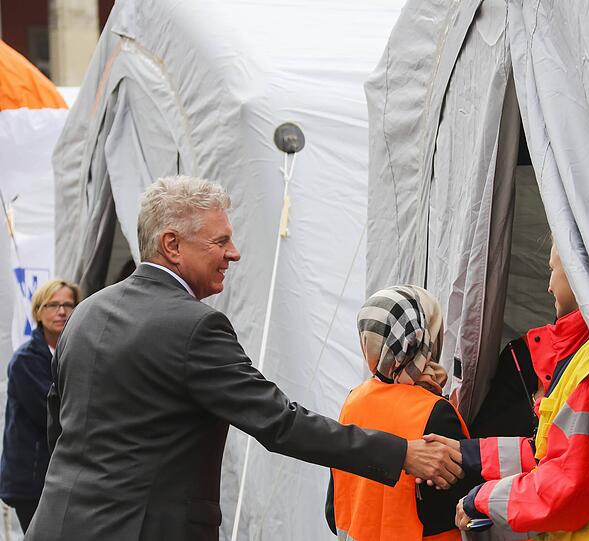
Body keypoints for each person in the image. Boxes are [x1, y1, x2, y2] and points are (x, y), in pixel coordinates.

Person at [26, 176, 462, 541]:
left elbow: (58, 427)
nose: (233, 253)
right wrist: (401, 453)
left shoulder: (87, 313)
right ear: (172, 244)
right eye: (221, 241)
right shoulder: (195, 326)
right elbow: (280, 423)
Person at [447, 242, 589, 540]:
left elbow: (570, 489)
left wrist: (481, 499)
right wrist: (467, 454)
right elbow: (546, 453)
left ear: (577, 271)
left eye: (552, 270)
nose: (549, 287)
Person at [327, 285, 481, 541]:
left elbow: (334, 510)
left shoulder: (354, 400)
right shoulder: (436, 412)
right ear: (424, 337)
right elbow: (462, 507)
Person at [0, 279, 80, 532]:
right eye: (53, 304)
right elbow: (52, 415)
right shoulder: (26, 361)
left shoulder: (78, 352)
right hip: (33, 481)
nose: (62, 311)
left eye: (68, 304)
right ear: (37, 311)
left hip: (62, 477)